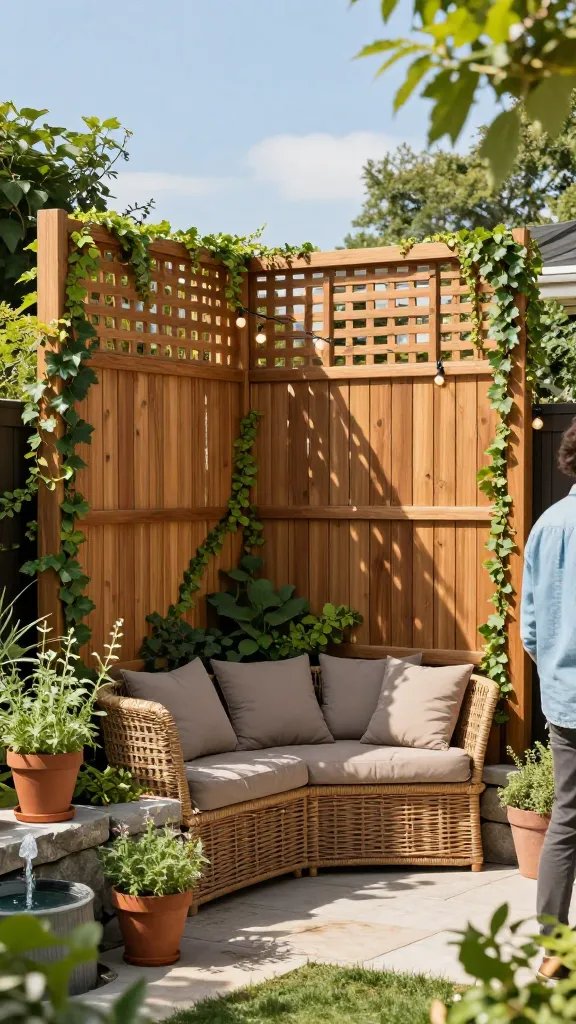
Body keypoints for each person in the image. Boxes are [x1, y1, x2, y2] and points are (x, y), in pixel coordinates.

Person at [520, 416, 576, 981]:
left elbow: (530, 631)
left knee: (566, 820)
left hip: (565, 702)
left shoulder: (548, 524)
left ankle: (553, 950)